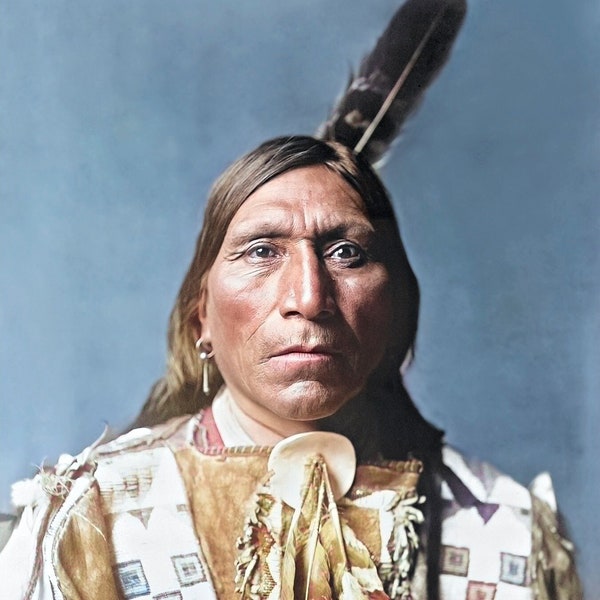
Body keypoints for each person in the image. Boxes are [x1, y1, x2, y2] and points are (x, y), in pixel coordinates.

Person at [0, 136, 581, 599]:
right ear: (201, 318)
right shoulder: (95, 518)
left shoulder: (501, 528)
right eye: (261, 250)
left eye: (346, 252)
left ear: (396, 308)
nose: (309, 296)